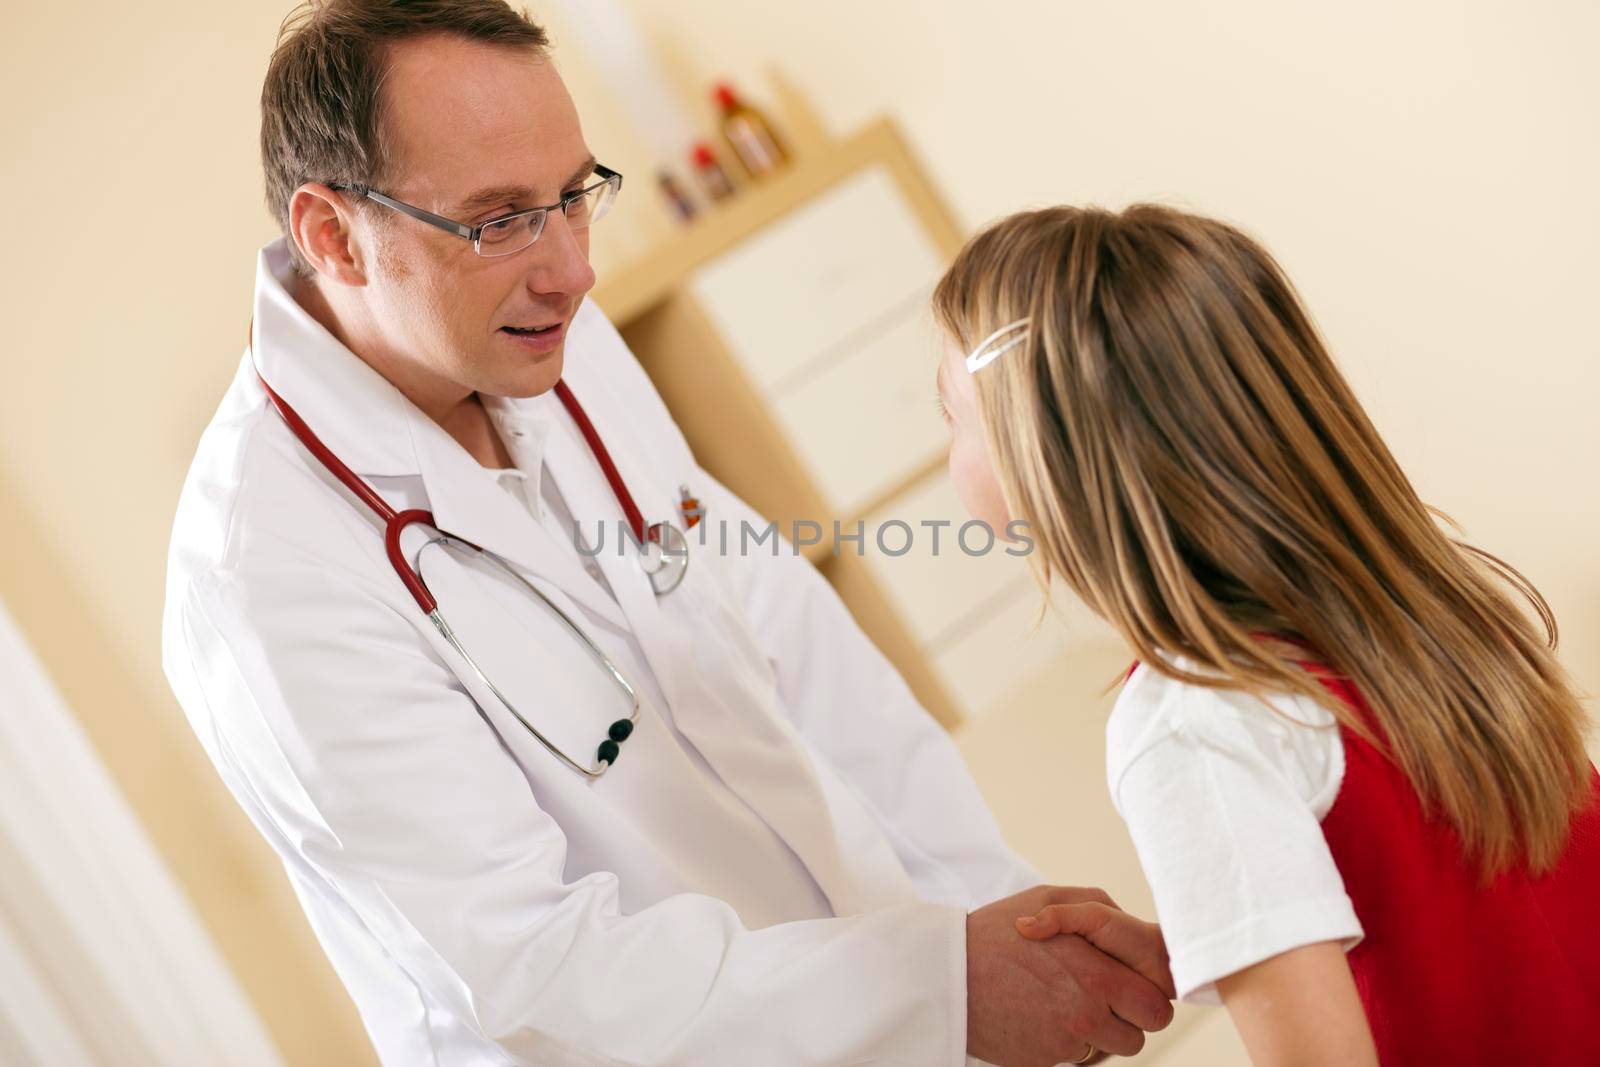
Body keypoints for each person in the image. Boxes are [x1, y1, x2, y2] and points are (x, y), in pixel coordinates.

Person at [161, 3, 1175, 1065]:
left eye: (572, 197)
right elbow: (534, 973)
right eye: (498, 218)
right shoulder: (267, 577)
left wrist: (995, 916)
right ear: (333, 235)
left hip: (882, 984)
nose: (573, 270)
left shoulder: (546, 329)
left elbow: (796, 643)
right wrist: (939, 987)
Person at [929, 203, 1600, 1066]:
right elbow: (1464, 906)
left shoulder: (1191, 725)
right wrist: (1230, 925)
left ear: (1038, 451)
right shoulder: (1417, 609)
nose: (947, 439)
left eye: (950, 412)